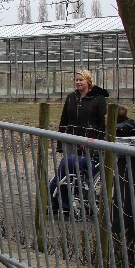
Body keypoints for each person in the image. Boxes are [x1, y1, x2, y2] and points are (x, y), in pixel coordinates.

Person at [50, 69, 110, 214]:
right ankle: (63, 202)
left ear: (88, 81)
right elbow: (64, 120)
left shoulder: (99, 99)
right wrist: (61, 142)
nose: (78, 82)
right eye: (76, 80)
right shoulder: (71, 98)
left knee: (81, 170)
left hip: (89, 141)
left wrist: (95, 141)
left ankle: (81, 199)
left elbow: (102, 124)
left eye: (81, 80)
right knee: (67, 170)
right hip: (71, 139)